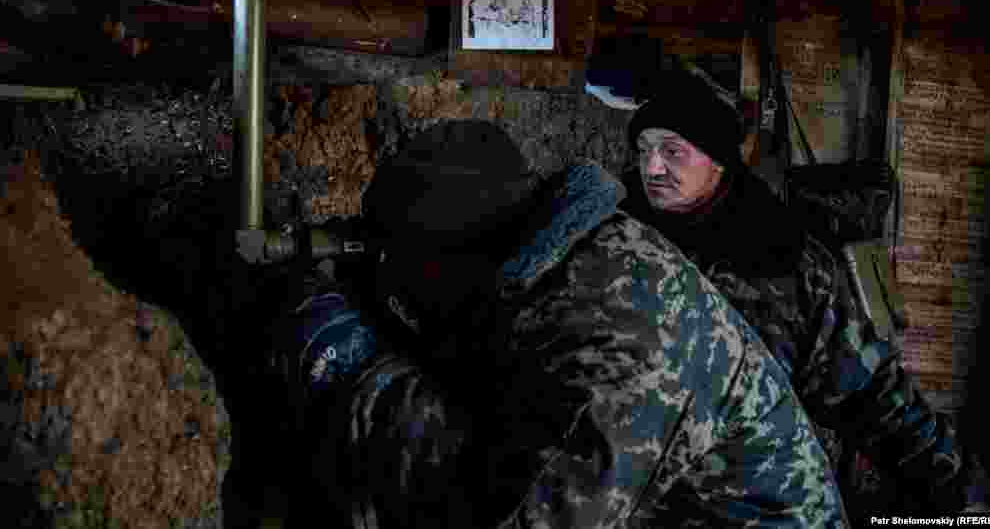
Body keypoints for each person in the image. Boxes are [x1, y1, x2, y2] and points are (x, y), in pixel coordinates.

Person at [270, 119, 847, 528]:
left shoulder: (616, 353)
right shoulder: (571, 249)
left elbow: (508, 514)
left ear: (465, 256)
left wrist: (358, 371)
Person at [616, 60, 986, 518]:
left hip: (760, 510)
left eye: (673, 151)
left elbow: (874, 395)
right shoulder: (617, 248)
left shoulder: (785, 261)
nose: (652, 165)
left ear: (716, 161)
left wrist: (967, 500)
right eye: (644, 148)